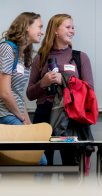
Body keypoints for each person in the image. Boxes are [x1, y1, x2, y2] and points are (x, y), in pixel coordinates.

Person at [26, 14, 95, 168]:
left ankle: (71, 193)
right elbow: (30, 94)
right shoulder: (41, 58)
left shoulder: (80, 57)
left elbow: (89, 91)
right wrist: (43, 83)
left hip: (69, 117)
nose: (72, 31)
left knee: (70, 165)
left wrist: (63, 81)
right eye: (68, 27)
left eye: (73, 28)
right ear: (56, 30)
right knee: (43, 164)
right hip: (44, 116)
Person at [0, 12, 46, 165]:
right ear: (27, 27)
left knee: (34, 163)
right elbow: (5, 93)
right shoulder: (8, 49)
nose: (42, 31)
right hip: (5, 114)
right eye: (39, 26)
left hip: (15, 113)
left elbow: (17, 94)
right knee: (40, 161)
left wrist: (27, 122)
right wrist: (20, 117)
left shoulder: (24, 55)